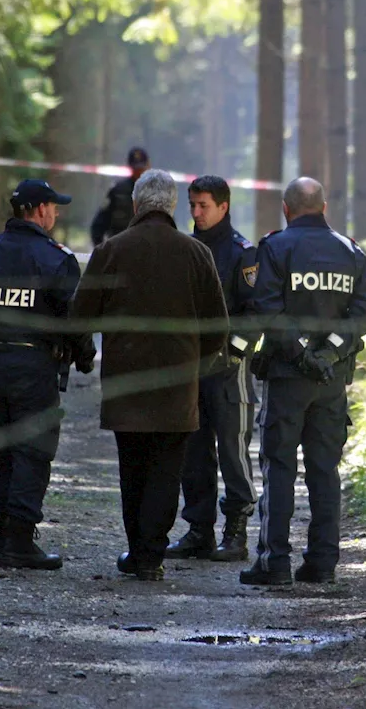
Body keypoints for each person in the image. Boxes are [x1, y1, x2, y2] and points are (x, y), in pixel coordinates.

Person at [71, 169, 229, 581]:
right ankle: (152, 554)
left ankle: (138, 549)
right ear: (173, 207)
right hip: (178, 385)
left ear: (138, 205)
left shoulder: (111, 250)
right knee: (166, 470)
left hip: (127, 381)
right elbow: (218, 326)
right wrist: (197, 362)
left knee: (133, 467)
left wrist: (84, 352)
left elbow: (80, 314)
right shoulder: (197, 253)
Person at [240, 177, 366, 586]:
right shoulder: (350, 252)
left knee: (279, 467)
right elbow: (364, 312)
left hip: (287, 378)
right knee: (324, 470)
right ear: (324, 206)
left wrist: (301, 353)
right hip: (332, 381)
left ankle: (274, 563)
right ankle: (322, 564)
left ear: (287, 208)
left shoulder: (276, 248)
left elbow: (267, 309)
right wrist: (331, 351)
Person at [0, 179, 96, 570]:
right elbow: (74, 320)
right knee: (32, 453)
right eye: (52, 207)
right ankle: (19, 541)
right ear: (36, 209)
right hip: (34, 368)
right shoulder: (54, 259)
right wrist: (85, 357)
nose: (55, 213)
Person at [165, 176, 261, 562]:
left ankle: (236, 531)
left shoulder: (241, 252)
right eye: (192, 205)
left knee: (233, 450)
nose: (196, 212)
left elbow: (255, 312)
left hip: (227, 369)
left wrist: (235, 354)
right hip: (190, 367)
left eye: (203, 205)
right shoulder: (184, 249)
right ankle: (198, 529)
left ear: (224, 206)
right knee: (194, 450)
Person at [89, 146, 151, 246]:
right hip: (119, 250)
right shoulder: (117, 191)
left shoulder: (156, 192)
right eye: (136, 168)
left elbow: (167, 227)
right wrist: (102, 252)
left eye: (141, 168)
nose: (139, 172)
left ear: (148, 166)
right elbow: (98, 225)